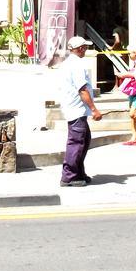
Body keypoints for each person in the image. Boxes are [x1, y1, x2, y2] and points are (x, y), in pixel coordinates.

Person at [58, 36, 103, 188]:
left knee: (84, 140)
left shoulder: (68, 63)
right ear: (80, 49)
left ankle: (78, 172)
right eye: (84, 47)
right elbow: (82, 90)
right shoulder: (76, 65)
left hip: (75, 109)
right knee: (77, 143)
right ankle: (69, 176)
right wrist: (94, 109)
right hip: (76, 109)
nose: (86, 49)